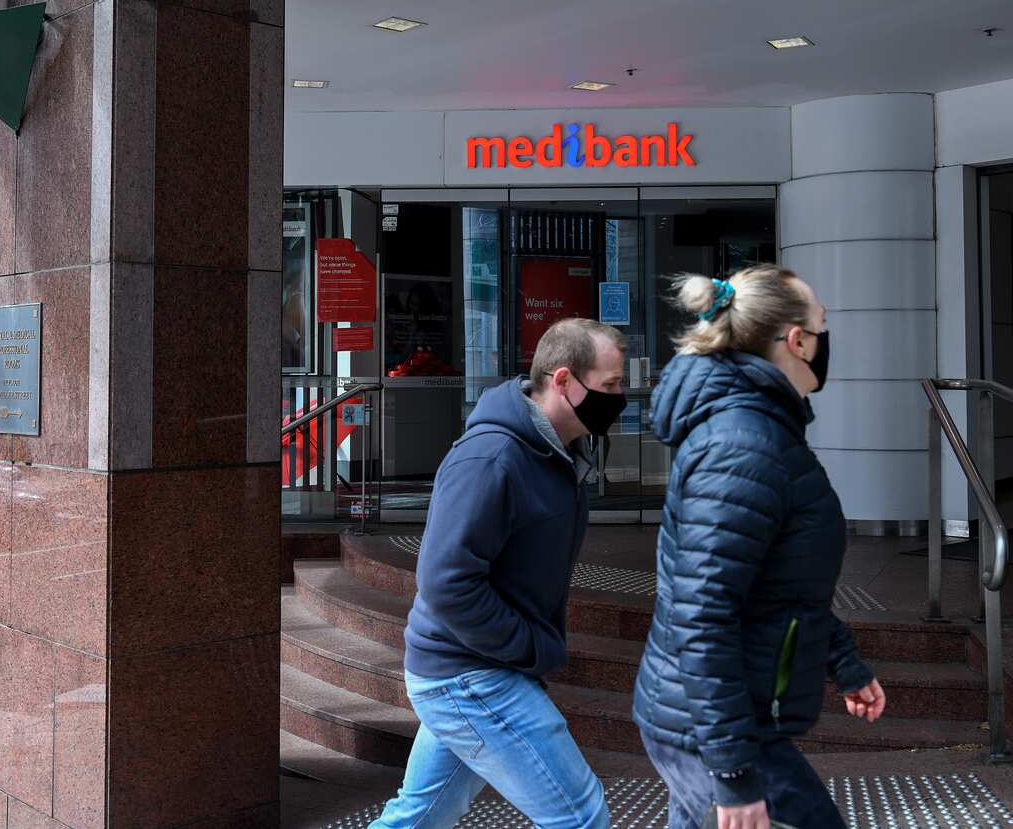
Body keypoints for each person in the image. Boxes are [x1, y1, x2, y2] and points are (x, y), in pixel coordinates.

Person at [632, 267, 886, 829]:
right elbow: (703, 617)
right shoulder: (743, 444)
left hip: (707, 720)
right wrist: (734, 777)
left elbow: (776, 585)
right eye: (822, 327)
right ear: (797, 340)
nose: (825, 342)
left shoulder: (757, 429)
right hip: (714, 732)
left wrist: (840, 661)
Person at [370, 318, 628, 829]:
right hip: (469, 675)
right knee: (581, 817)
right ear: (563, 381)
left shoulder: (558, 454)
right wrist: (528, 647)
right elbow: (446, 582)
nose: (622, 396)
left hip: (469, 668)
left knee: (418, 818)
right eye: (611, 385)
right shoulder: (491, 458)